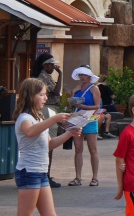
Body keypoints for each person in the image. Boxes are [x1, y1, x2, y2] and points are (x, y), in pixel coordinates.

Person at [13, 77, 80, 216]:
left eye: (45, 95)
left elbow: (49, 144)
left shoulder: (38, 118)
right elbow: (30, 132)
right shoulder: (25, 118)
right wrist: (54, 119)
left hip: (41, 171)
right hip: (29, 171)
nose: (45, 98)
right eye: (41, 95)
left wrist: (69, 133)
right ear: (31, 96)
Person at [33, 55, 64, 187]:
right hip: (48, 109)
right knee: (49, 144)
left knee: (48, 144)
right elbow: (56, 92)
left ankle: (46, 174)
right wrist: (61, 74)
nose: (54, 67)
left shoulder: (45, 76)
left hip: (50, 108)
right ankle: (45, 175)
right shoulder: (43, 77)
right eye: (52, 65)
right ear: (45, 65)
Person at [68, 65, 102, 187]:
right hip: (77, 119)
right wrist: (73, 95)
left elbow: (97, 106)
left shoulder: (94, 89)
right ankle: (78, 177)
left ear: (89, 76)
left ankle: (95, 178)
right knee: (78, 149)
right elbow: (70, 105)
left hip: (90, 119)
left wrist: (83, 107)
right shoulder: (76, 89)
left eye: (85, 75)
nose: (82, 77)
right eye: (81, 75)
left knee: (93, 149)